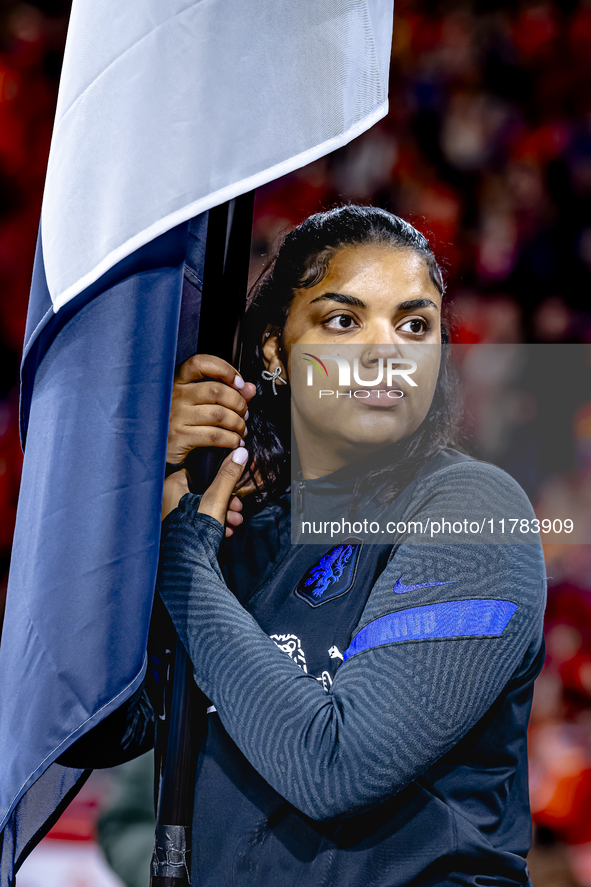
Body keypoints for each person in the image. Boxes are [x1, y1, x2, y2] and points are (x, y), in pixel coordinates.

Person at [67, 206, 547, 886]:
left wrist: (179, 560)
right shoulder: (235, 533)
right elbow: (98, 727)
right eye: (343, 320)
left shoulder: (473, 510)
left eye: (414, 324)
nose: (386, 350)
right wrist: (136, 491)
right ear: (273, 350)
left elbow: (338, 768)